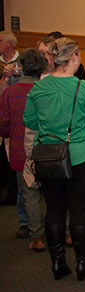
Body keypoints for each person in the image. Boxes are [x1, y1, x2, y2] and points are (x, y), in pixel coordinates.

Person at [23, 37, 85, 280]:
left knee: (54, 210)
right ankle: (83, 264)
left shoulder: (38, 88)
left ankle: (58, 263)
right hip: (81, 156)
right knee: (80, 212)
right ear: (73, 58)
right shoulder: (82, 88)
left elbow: (29, 121)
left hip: (48, 157)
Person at [0, 48, 47, 252]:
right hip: (50, 150)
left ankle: (37, 236)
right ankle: (63, 232)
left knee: (29, 195)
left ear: (22, 67)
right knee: (55, 193)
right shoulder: (48, 90)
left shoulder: (10, 92)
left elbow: (3, 125)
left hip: (21, 151)